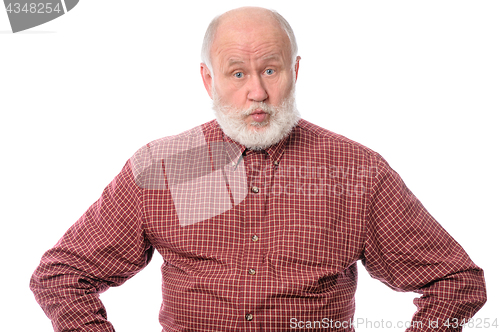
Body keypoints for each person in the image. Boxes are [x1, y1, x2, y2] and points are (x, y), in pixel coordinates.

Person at [30, 6, 486, 331]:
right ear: (208, 79)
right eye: (237, 73)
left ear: (295, 70)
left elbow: (456, 281)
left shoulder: (356, 170)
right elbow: (61, 275)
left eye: (270, 70)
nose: (257, 93)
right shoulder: (164, 167)